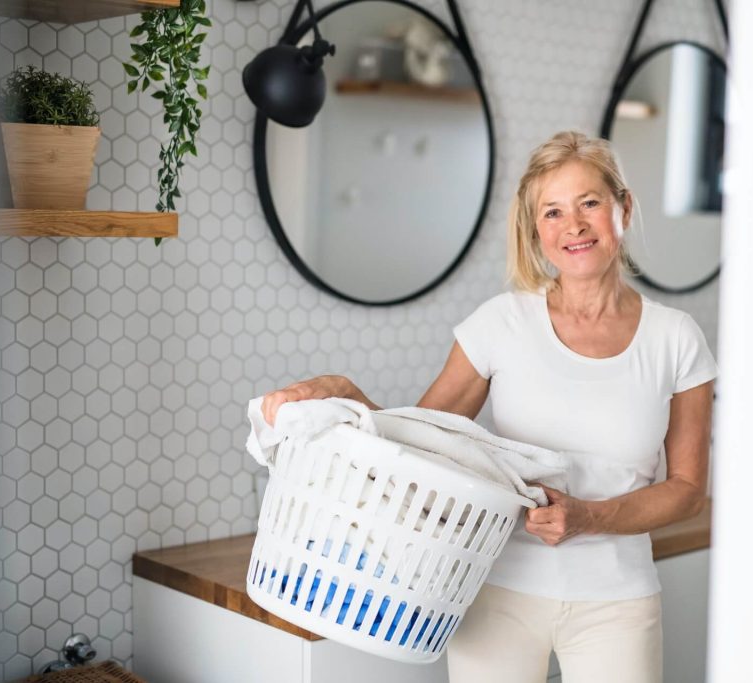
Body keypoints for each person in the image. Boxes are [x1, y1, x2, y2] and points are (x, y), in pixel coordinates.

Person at [260, 130, 716, 683]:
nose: (572, 226)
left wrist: (591, 517)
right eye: (552, 212)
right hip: (496, 592)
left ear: (623, 207)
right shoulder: (499, 324)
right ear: (535, 230)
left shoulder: (677, 338)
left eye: (589, 203)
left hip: (617, 604)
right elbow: (420, 448)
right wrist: (350, 395)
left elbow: (688, 491)